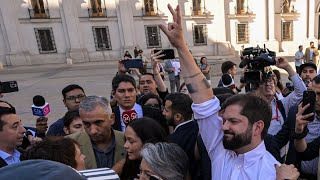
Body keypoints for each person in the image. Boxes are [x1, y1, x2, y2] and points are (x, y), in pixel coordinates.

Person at [158, 4, 281, 179]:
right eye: (224, 120)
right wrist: (181, 46)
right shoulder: (219, 147)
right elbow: (203, 99)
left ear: (258, 127)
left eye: (233, 121)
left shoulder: (272, 173)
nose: (223, 126)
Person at [67, 96, 126, 169]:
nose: (93, 131)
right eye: (87, 124)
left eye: (98, 123)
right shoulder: (68, 144)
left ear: (112, 118)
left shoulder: (127, 140)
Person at [163, 93, 211, 179]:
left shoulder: (173, 141)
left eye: (166, 111)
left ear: (178, 116)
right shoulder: (200, 129)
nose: (163, 113)